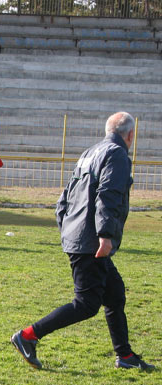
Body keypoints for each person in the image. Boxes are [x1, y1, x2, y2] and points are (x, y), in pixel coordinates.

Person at [11, 112, 155, 371]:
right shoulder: (117, 154)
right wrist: (105, 235)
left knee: (114, 294)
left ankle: (125, 356)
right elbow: (108, 195)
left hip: (79, 234)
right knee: (87, 304)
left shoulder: (90, 152)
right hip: (91, 239)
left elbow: (65, 195)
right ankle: (28, 336)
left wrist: (66, 228)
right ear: (131, 135)